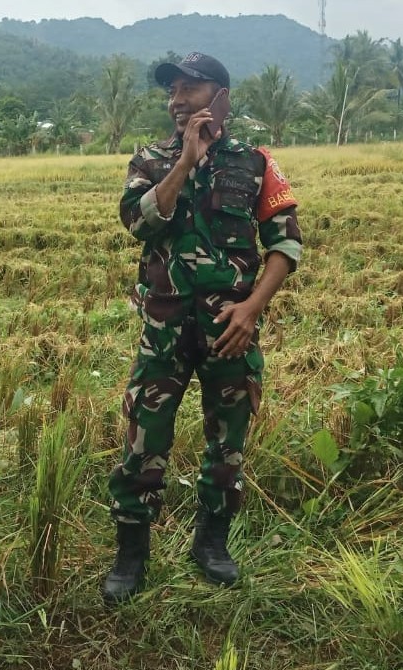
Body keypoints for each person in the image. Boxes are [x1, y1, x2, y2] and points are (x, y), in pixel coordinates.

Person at [104, 52, 302, 603]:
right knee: (144, 442)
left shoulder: (256, 163)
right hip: (163, 331)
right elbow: (137, 224)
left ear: (222, 97)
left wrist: (252, 308)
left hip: (229, 331)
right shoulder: (149, 160)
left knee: (227, 446)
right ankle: (131, 553)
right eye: (172, 90)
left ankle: (212, 544)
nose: (177, 99)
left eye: (190, 88)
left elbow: (285, 243)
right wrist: (185, 162)